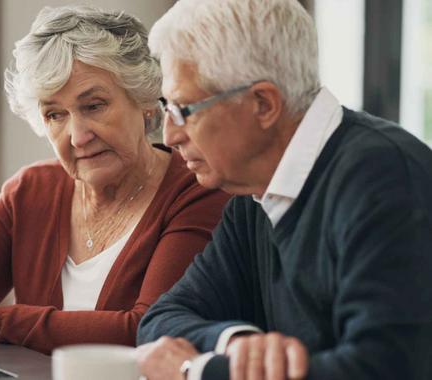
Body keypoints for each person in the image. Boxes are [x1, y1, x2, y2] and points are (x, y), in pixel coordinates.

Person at [0, 5, 230, 355]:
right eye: (55, 114)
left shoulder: (196, 192)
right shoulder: (32, 190)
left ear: (145, 100)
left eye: (94, 105)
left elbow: (145, 332)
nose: (77, 135)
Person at [135, 0, 432, 379]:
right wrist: (236, 343)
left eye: (184, 110)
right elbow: (160, 321)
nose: (170, 135)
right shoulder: (253, 195)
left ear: (263, 104)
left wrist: (200, 369)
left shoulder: (387, 180)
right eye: (167, 108)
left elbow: (384, 368)